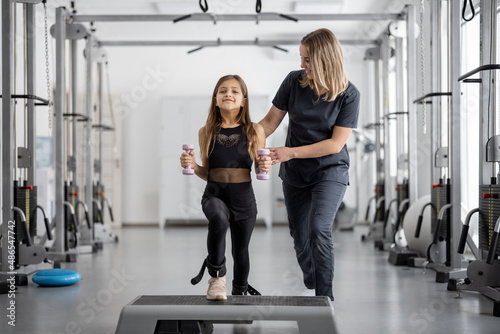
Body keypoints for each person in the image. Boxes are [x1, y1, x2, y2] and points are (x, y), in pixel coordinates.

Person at [258, 28, 360, 301]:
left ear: (326, 59)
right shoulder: (294, 82)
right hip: (295, 173)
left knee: (319, 228)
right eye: (301, 58)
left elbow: (335, 144)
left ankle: (324, 298)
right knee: (300, 235)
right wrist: (239, 137)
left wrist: (289, 152)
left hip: (330, 170)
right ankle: (313, 283)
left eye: (307, 60)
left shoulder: (349, 95)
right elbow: (268, 124)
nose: (302, 65)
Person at [180, 74, 267, 300]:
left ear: (243, 101)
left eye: (235, 91)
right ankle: (216, 279)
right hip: (214, 194)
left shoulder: (255, 130)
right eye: (223, 91)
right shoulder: (206, 131)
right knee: (218, 218)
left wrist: (264, 164)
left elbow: (259, 171)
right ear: (216, 99)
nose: (228, 94)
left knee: (240, 252)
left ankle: (240, 291)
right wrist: (192, 165)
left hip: (244, 198)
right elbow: (206, 172)